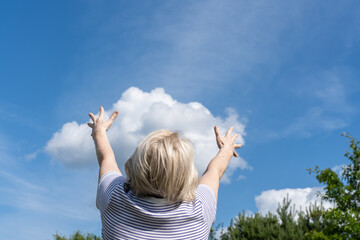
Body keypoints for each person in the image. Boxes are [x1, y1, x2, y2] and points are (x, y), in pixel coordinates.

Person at [88, 106, 241, 240]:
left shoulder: (113, 196)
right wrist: (226, 148)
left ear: (135, 164)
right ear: (186, 176)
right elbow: (215, 171)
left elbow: (106, 159)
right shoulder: (199, 209)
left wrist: (99, 132)